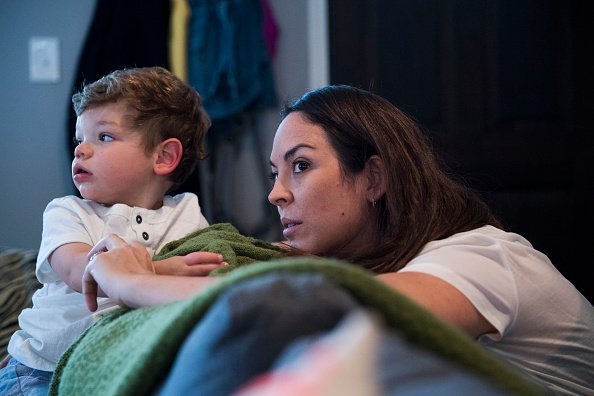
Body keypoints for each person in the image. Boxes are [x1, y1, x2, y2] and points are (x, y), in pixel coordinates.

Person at [76, 85, 592, 395]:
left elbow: (316, 305)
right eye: (275, 172)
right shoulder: (375, 262)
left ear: (374, 179)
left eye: (300, 166)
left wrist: (131, 281)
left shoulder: (484, 257)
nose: (276, 194)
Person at [0, 67, 226, 395]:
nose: (80, 149)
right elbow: (82, 272)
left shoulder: (186, 215)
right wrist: (159, 270)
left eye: (103, 137)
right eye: (80, 139)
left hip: (123, 363)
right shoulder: (67, 212)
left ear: (164, 157)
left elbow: (206, 273)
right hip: (41, 369)